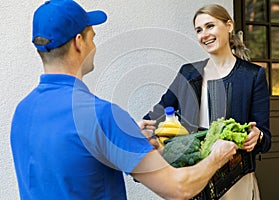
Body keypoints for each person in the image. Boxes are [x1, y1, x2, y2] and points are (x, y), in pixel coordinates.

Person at [10, 1, 238, 199]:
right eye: (92, 37)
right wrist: (218, 156)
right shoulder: (101, 114)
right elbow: (179, 188)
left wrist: (121, 134)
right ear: (79, 42)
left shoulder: (22, 111)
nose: (94, 46)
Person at [144, 4, 272, 200]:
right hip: (194, 177)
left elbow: (265, 136)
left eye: (210, 26)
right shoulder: (188, 73)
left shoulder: (252, 75)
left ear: (228, 26)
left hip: (235, 181)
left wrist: (258, 136)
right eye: (198, 30)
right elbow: (155, 116)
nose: (204, 34)